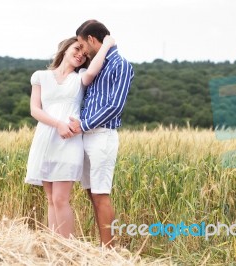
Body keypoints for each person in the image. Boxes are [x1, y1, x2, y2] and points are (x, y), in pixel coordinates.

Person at [25, 35, 115, 238]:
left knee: (60, 198)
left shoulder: (80, 77)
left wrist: (107, 44)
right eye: (76, 49)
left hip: (69, 141)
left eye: (84, 54)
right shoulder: (40, 76)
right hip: (46, 138)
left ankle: (68, 248)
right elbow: (34, 109)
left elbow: (93, 69)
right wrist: (57, 124)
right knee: (50, 199)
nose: (80, 55)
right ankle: (54, 247)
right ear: (65, 49)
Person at [68, 20, 134, 247]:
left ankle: (110, 251)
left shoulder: (121, 65)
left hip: (101, 135)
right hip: (85, 135)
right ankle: (102, 247)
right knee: (91, 194)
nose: (82, 50)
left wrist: (83, 125)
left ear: (92, 40)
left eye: (81, 44)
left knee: (100, 194)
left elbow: (115, 105)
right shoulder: (97, 64)